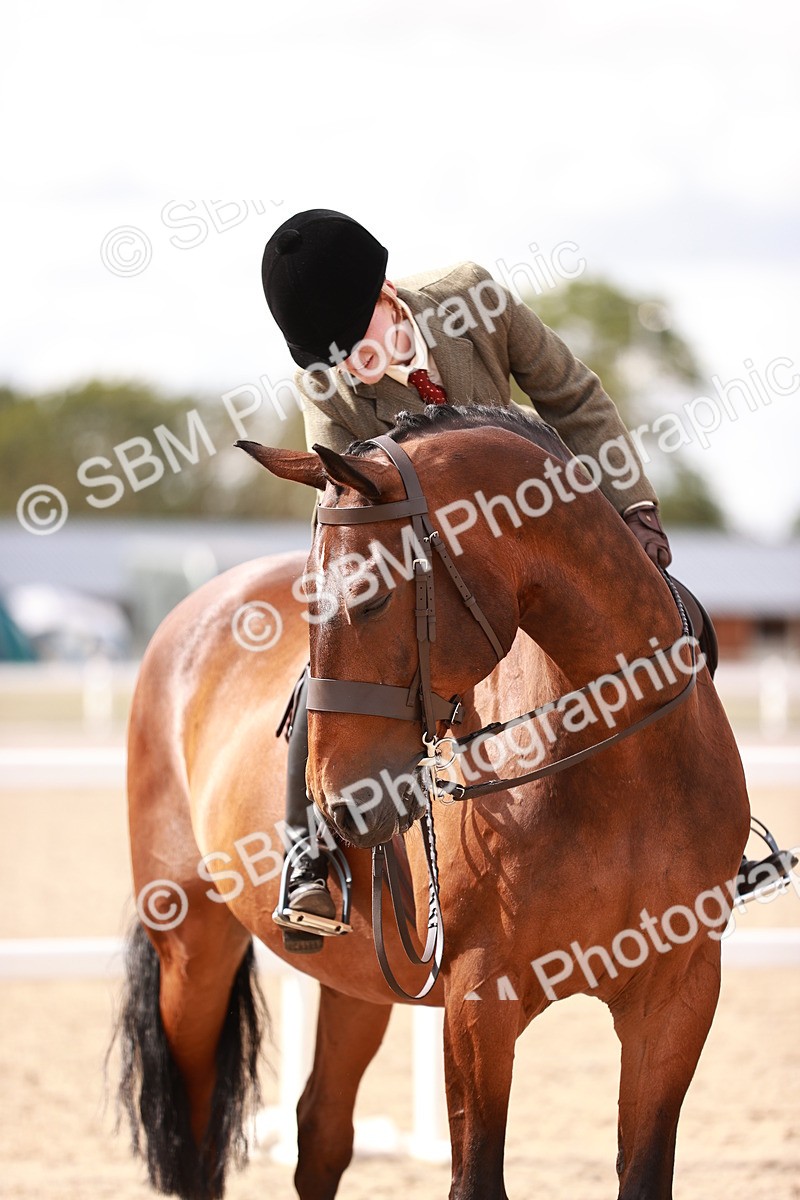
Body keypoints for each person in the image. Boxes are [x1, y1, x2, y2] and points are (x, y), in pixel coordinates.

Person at [260, 208, 794, 951]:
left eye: (357, 344)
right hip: (426, 572)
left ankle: (719, 838)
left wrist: (634, 508)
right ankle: (308, 853)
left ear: (386, 296)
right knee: (323, 675)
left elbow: (571, 398)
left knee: (684, 620)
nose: (351, 367)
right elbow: (341, 494)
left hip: (535, 534)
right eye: (334, 361)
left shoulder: (470, 298)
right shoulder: (327, 380)